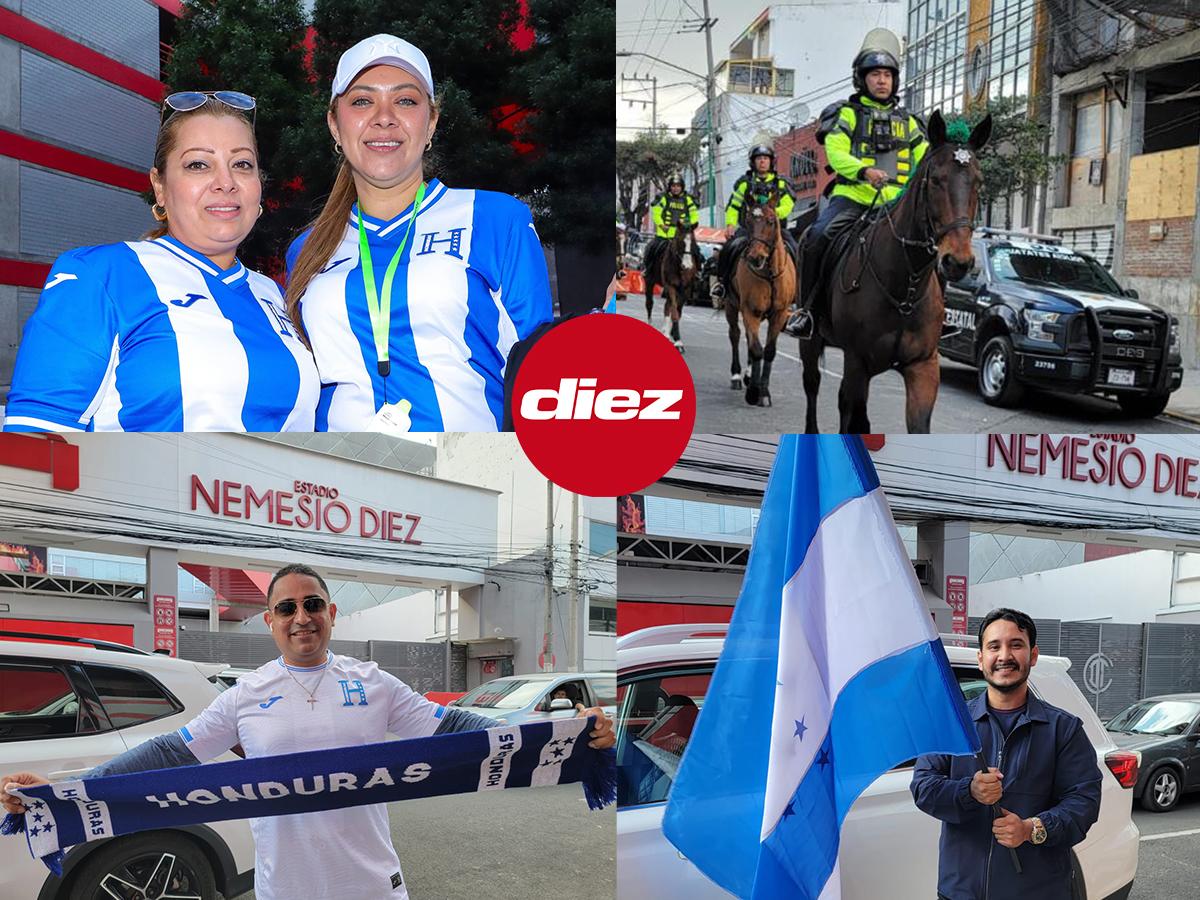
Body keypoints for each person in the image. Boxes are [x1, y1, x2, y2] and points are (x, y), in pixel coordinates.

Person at [2, 562, 614, 900]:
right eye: (289, 608)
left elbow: (455, 727)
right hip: (285, 885)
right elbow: (168, 751)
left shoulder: (373, 681)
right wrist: (75, 787)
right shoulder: (244, 695)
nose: (302, 617)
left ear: (331, 613)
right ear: (270, 621)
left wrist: (564, 731)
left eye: (313, 604)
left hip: (372, 883)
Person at [3, 92, 319, 432]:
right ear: (160, 186)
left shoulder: (272, 295)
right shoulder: (102, 275)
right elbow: (36, 442)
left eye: (242, 164)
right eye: (198, 165)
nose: (225, 183)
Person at [284, 34, 553, 433]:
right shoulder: (306, 251)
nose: (384, 116)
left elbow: (541, 372)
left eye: (405, 100)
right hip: (341, 481)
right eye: (362, 101)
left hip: (472, 475)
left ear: (431, 123)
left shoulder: (497, 219)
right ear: (334, 125)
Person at [910, 608, 1102, 900]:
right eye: (994, 646)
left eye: (1016, 645)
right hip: (960, 891)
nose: (1004, 656)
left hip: (1039, 892)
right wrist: (969, 791)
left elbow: (1084, 801)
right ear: (980, 659)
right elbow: (923, 787)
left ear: (1032, 655)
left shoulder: (1063, 729)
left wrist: (1031, 828)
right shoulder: (952, 725)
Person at [789, 27, 928, 338]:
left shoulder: (910, 124)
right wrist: (865, 171)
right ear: (862, 79)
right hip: (852, 199)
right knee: (816, 237)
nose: (882, 80)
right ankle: (806, 311)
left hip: (896, 205)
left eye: (887, 75)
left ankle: (933, 315)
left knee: (932, 246)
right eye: (875, 74)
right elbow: (836, 152)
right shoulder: (848, 114)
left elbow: (925, 162)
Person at [711, 145, 796, 301]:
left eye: (765, 158)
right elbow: (733, 206)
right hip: (749, 230)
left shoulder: (781, 183)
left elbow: (788, 204)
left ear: (771, 162)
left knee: (795, 249)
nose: (762, 162)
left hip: (774, 230)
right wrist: (730, 224)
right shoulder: (745, 184)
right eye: (758, 159)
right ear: (753, 162)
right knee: (729, 249)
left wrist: (774, 214)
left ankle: (798, 288)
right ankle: (722, 284)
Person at [642, 175, 701, 278]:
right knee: (651, 248)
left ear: (682, 187)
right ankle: (647, 270)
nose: (676, 188)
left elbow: (694, 215)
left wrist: (686, 224)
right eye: (673, 186)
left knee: (696, 250)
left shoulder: (688, 200)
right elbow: (656, 212)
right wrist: (661, 224)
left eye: (678, 186)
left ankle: (697, 272)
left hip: (682, 235)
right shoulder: (664, 198)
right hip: (664, 235)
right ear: (670, 187)